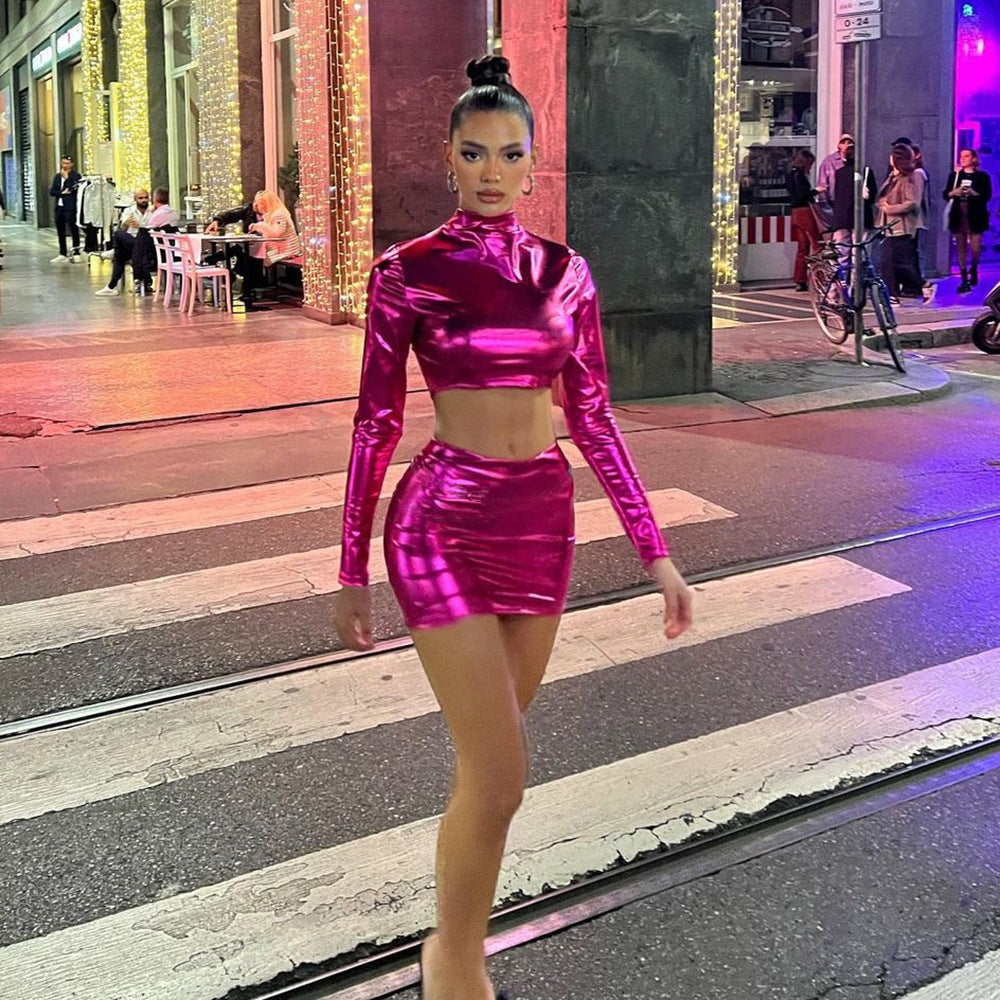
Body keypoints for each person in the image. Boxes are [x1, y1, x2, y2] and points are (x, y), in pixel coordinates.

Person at [333, 54, 693, 1000]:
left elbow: (594, 416)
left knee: (487, 775)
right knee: (502, 776)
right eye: (473, 153)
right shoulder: (406, 273)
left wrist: (654, 551)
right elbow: (375, 422)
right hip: (438, 525)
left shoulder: (566, 274)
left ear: (534, 165)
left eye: (509, 154)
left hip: (540, 519)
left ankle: (453, 943)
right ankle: (455, 964)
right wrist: (350, 566)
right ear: (447, 160)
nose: (491, 171)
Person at [205, 191, 299, 310]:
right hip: (271, 246)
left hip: (283, 249)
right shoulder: (265, 212)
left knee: (247, 255)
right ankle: (243, 285)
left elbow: (276, 233)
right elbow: (233, 214)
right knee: (244, 251)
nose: (256, 206)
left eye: (259, 204)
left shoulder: (278, 214)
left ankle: (232, 270)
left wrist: (258, 226)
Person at [875, 143, 931, 304]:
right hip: (889, 226)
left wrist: (890, 208)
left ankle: (897, 292)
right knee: (899, 261)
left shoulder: (909, 178)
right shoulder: (894, 176)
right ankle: (912, 288)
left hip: (901, 226)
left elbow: (912, 202)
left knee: (890, 261)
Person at [944, 147, 993, 293]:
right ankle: (964, 277)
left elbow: (987, 196)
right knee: (961, 247)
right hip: (958, 214)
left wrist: (974, 193)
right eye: (961, 156)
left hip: (976, 215)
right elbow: (946, 194)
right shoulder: (955, 176)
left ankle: (974, 267)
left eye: (966, 156)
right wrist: (954, 192)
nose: (963, 159)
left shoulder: (982, 177)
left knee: (975, 247)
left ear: (974, 158)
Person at [94, 189, 152, 297]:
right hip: (130, 243)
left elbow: (153, 230)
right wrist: (126, 223)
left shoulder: (153, 211)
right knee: (120, 244)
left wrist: (140, 227)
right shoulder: (129, 211)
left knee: (118, 241)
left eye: (146, 197)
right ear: (135, 199)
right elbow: (123, 229)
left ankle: (111, 286)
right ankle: (113, 286)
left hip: (146, 244)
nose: (144, 200)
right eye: (140, 198)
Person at [786, 149, 819, 291]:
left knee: (802, 247)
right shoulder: (800, 176)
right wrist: (816, 191)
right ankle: (819, 277)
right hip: (804, 211)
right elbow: (802, 195)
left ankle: (800, 280)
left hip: (795, 212)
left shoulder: (790, 175)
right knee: (816, 244)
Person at [49, 154, 82, 264]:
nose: (65, 165)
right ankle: (62, 253)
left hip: (70, 207)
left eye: (67, 163)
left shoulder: (76, 176)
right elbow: (52, 192)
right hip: (59, 207)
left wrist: (67, 178)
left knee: (73, 229)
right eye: (63, 163)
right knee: (60, 230)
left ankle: (76, 252)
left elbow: (73, 189)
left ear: (72, 164)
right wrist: (62, 193)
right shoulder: (57, 177)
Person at [815, 133, 853, 227]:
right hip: (834, 202)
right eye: (843, 142)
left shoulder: (856, 162)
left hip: (851, 203)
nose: (846, 145)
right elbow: (823, 184)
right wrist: (826, 207)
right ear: (839, 145)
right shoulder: (829, 162)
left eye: (849, 143)